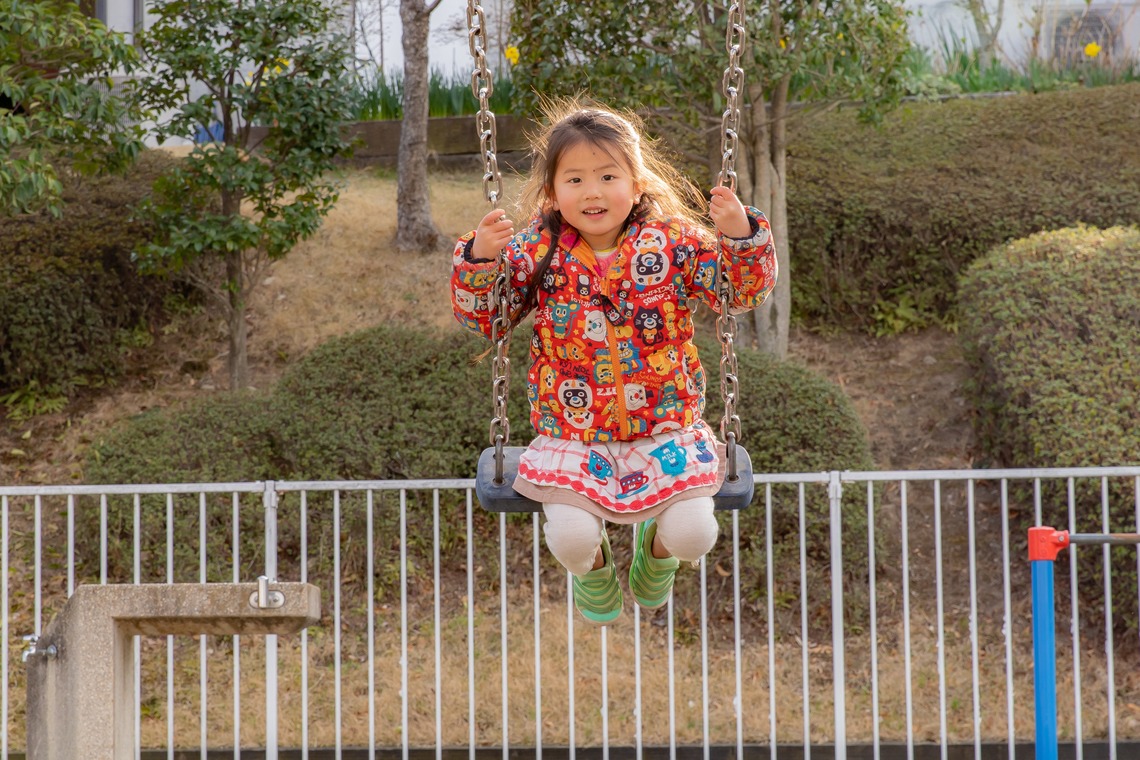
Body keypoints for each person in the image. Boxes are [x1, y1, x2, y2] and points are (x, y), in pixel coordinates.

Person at [451, 100, 777, 625]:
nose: (593, 192)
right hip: (573, 435)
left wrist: (741, 236)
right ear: (553, 192)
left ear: (638, 182)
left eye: (608, 175)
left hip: (665, 429)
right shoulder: (536, 250)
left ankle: (657, 552)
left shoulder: (674, 243)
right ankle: (594, 567)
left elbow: (740, 291)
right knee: (573, 541)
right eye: (575, 179)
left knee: (695, 533)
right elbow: (486, 318)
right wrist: (481, 261)